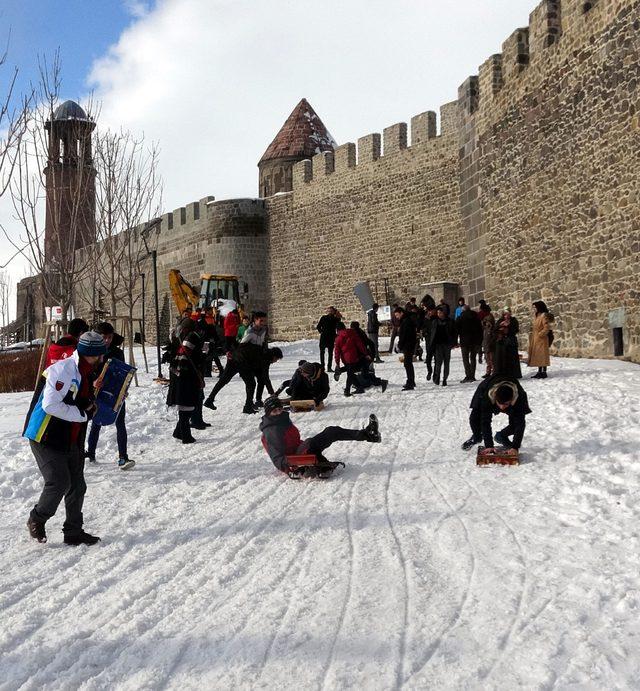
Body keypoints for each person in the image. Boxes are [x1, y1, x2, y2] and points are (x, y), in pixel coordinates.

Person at [23, 331, 107, 545]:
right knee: (59, 482)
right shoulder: (63, 369)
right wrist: (82, 414)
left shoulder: (86, 371)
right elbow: (50, 405)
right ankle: (36, 519)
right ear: (91, 354)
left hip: (69, 436)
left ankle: (73, 531)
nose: (102, 358)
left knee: (77, 486)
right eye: (99, 354)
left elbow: (80, 399)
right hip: (45, 434)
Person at [259, 396, 381, 474]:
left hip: (301, 451)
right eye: (275, 411)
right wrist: (295, 467)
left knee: (332, 431)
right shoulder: (272, 431)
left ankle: (369, 434)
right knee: (331, 432)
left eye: (280, 409)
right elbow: (278, 460)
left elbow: (292, 442)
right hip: (296, 459)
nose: (279, 412)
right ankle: (369, 435)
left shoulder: (282, 422)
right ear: (269, 414)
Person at [85, 322, 135, 470]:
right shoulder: (91, 351)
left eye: (110, 337)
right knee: (95, 422)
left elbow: (122, 373)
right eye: (104, 337)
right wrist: (92, 383)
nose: (107, 340)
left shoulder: (117, 352)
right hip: (96, 392)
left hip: (115, 392)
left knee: (120, 423)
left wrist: (124, 388)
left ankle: (123, 457)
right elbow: (86, 372)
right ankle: (91, 452)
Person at [204, 345, 283, 413]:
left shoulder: (263, 351)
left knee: (223, 380)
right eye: (276, 359)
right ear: (274, 356)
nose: (275, 361)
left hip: (234, 356)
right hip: (242, 361)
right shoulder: (266, 357)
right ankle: (248, 407)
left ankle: (210, 399)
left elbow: (261, 376)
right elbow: (265, 377)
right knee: (251, 384)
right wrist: (272, 393)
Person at [461, 374, 531, 452]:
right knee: (474, 419)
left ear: (512, 400)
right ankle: (477, 436)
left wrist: (515, 447)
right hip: (486, 387)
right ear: (495, 398)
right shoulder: (488, 396)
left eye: (506, 404)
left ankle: (501, 436)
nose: (502, 407)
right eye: (499, 403)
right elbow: (485, 422)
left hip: (512, 391)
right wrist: (489, 445)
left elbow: (520, 424)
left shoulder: (519, 398)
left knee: (515, 424)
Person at [166, 318, 205, 443]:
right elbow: (184, 356)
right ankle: (185, 435)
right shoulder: (191, 337)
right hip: (186, 375)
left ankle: (179, 432)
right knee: (186, 405)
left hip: (183, 375)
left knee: (187, 405)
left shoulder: (183, 336)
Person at [350, 322, 388, 392]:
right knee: (365, 372)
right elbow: (370, 343)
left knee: (355, 371)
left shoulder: (356, 334)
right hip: (366, 355)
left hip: (363, 356)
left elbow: (360, 346)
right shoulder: (361, 332)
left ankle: (360, 385)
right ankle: (379, 382)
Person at [334, 322, 369, 397]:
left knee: (350, 373)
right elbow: (360, 345)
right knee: (351, 372)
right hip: (354, 357)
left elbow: (337, 352)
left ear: (337, 329)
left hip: (346, 359)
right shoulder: (352, 333)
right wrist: (365, 353)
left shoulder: (338, 338)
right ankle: (359, 387)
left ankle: (347, 390)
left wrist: (337, 363)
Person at [428, 305, 456, 386]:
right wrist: (431, 344)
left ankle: (445, 379)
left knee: (446, 363)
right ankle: (437, 377)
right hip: (438, 345)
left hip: (447, 345)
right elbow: (432, 334)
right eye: (438, 313)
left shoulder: (450, 321)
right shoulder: (435, 322)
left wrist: (453, 343)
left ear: (444, 313)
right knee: (438, 363)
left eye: (440, 312)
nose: (439, 314)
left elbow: (454, 333)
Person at [456, 305, 483, 383]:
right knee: (473, 358)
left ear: (463, 310)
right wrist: (480, 341)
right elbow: (480, 330)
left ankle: (468, 375)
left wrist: (454, 341)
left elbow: (456, 330)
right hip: (474, 341)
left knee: (465, 358)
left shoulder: (460, 318)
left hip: (464, 341)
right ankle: (472, 376)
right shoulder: (476, 317)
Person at [528, 300, 554, 379]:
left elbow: (546, 328)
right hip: (536, 339)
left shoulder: (543, 316)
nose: (534, 309)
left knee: (543, 355)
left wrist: (540, 334)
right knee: (539, 356)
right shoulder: (538, 315)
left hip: (542, 339)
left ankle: (544, 372)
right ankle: (539, 372)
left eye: (535, 307)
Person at [494, 307, 522, 379]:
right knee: (502, 358)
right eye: (505, 314)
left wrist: (508, 326)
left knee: (511, 359)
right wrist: (501, 325)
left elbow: (516, 330)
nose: (507, 315)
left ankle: (513, 374)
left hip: (511, 342)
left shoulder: (513, 320)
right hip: (502, 343)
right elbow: (495, 330)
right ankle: (502, 374)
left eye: (508, 314)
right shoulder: (500, 320)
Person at [395, 307, 417, 391]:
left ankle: (410, 383)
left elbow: (404, 335)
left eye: (397, 315)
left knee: (407, 364)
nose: (397, 317)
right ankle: (411, 381)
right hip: (408, 345)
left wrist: (400, 345)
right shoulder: (405, 320)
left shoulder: (406, 321)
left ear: (401, 313)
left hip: (408, 345)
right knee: (408, 364)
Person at [316, 306, 341, 372]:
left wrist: (337, 312)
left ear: (333, 311)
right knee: (322, 353)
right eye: (329, 310)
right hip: (324, 337)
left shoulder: (336, 319)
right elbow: (318, 326)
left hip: (331, 338)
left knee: (330, 354)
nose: (330, 312)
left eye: (331, 311)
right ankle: (322, 367)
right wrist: (322, 332)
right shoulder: (323, 317)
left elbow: (339, 323)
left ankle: (329, 367)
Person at [421, 305, 437, 380]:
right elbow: (423, 328)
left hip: (436, 342)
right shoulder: (426, 319)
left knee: (437, 360)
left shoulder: (437, 318)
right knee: (428, 359)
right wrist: (424, 333)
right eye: (429, 311)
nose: (431, 312)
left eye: (432, 310)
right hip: (429, 341)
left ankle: (436, 374)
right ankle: (429, 371)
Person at [481, 310, 496, 378]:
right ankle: (488, 371)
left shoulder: (493, 329)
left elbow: (494, 338)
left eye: (488, 322)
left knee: (492, 360)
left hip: (491, 346)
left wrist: (491, 344)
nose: (487, 323)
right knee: (487, 360)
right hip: (486, 346)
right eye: (486, 322)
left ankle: (494, 372)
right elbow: (484, 338)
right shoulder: (485, 329)